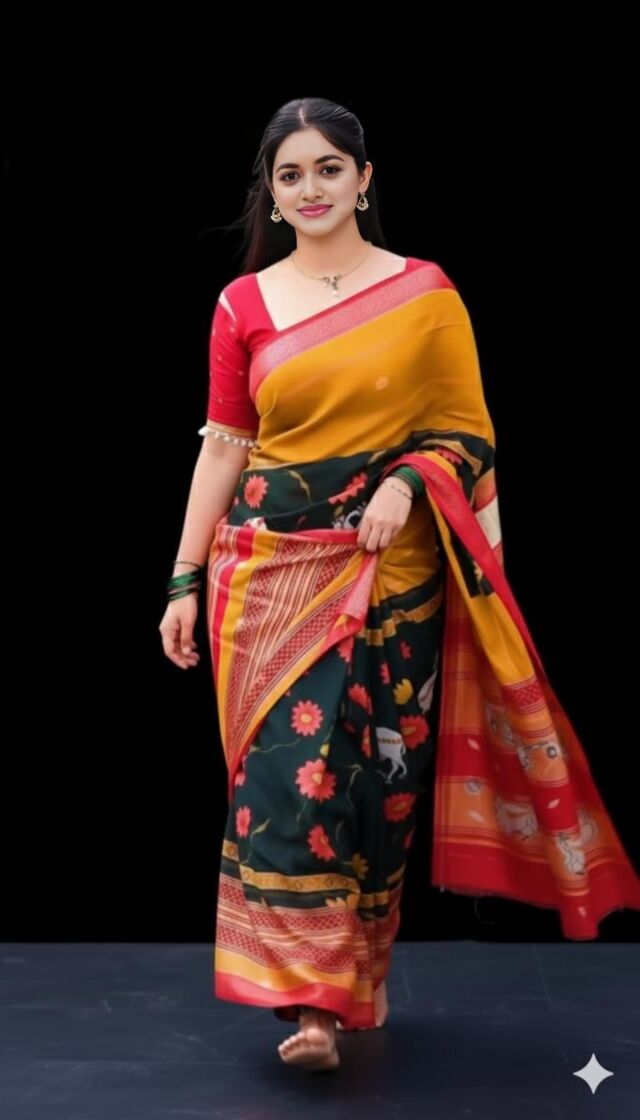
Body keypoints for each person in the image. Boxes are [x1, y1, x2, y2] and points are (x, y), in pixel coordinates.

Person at [159, 97, 640, 1073]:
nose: (311, 189)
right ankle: (312, 1007)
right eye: (291, 175)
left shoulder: (424, 294)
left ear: (363, 179)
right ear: (272, 194)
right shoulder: (243, 304)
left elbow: (467, 434)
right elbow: (225, 448)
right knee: (287, 784)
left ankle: (355, 976)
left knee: (381, 787)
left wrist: (408, 482)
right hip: (268, 577)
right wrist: (182, 577)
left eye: (328, 168)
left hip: (393, 576)